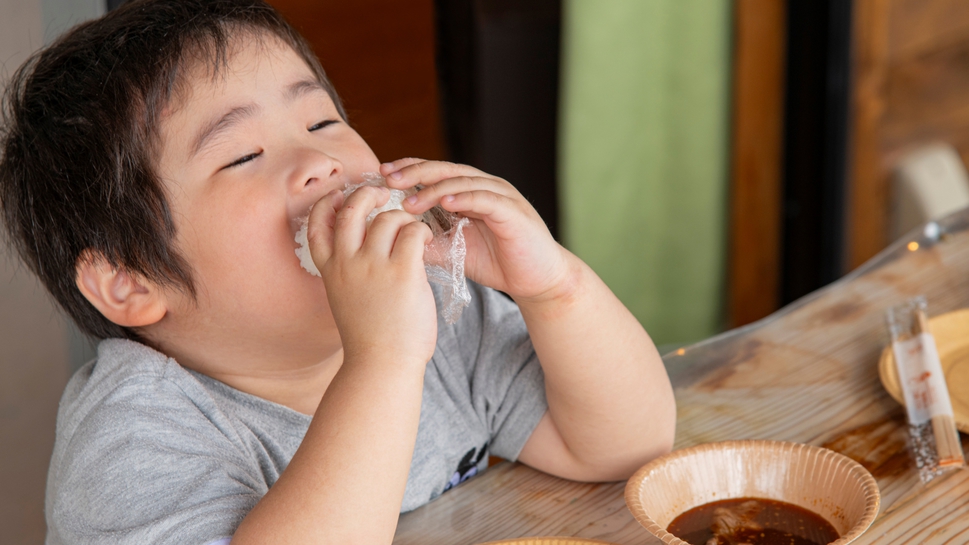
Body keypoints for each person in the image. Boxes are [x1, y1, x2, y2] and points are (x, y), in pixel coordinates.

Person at [0, 1, 676, 543]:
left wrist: (553, 285)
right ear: (130, 282)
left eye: (322, 119)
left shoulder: (435, 316)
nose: (321, 162)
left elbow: (622, 446)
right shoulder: (132, 442)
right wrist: (382, 361)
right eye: (242, 155)